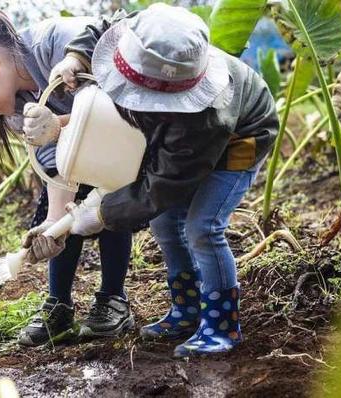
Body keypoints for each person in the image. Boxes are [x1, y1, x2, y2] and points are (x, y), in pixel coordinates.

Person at [26, 3, 279, 357]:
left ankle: (222, 326)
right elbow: (103, 29)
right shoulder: (144, 39)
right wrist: (75, 58)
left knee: (202, 227)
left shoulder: (204, 120)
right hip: (184, 138)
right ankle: (187, 310)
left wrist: (100, 214)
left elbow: (161, 186)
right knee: (164, 224)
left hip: (243, 136)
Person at [0, 3, 135, 348]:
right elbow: (55, 167)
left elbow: (120, 102)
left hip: (128, 140)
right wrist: (55, 221)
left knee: (111, 203)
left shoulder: (57, 43)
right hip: (80, 155)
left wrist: (58, 126)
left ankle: (112, 298)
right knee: (59, 220)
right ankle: (58, 305)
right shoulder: (15, 109)